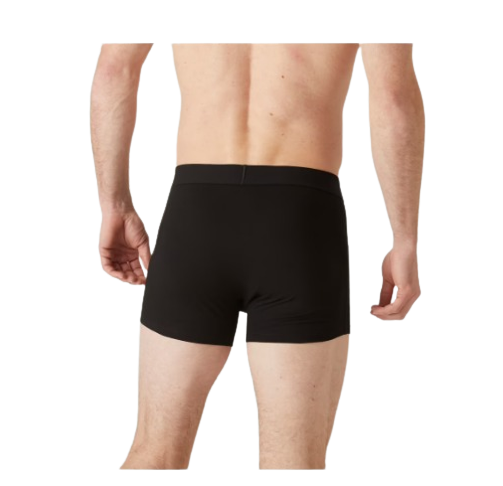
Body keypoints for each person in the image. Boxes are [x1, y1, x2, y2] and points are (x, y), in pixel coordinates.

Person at [90, 42, 424, 471]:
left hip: (196, 217)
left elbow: (113, 70)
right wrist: (405, 238)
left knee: (155, 455)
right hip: (300, 221)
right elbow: (393, 97)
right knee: (294, 463)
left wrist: (115, 205)